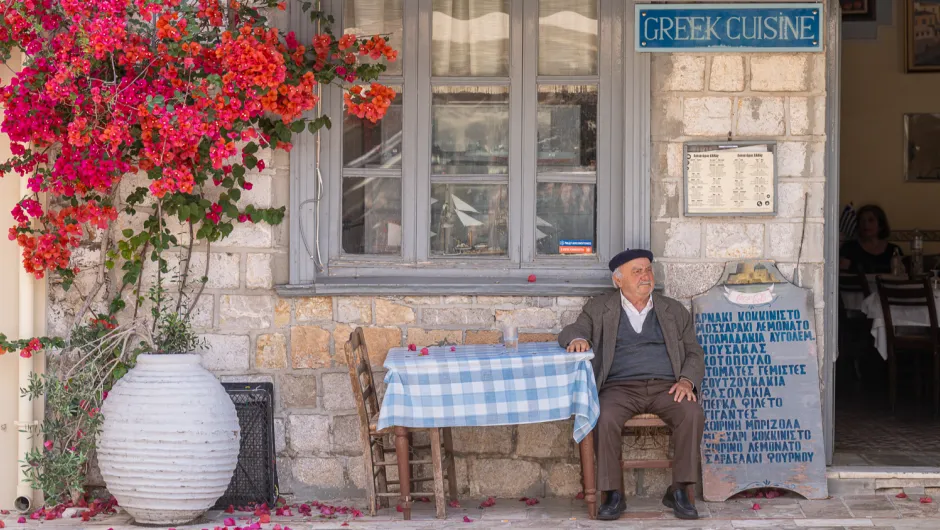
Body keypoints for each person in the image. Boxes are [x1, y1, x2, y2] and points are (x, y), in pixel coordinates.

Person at [559, 248, 704, 521]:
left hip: (667, 386)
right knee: (602, 415)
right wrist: (576, 339)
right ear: (618, 280)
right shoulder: (600, 307)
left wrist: (687, 380)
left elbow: (694, 351)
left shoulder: (672, 309)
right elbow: (572, 330)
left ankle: (680, 490)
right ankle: (613, 493)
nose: (645, 276)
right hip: (618, 388)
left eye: (648, 269)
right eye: (636, 271)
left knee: (692, 413)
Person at [840, 204, 902, 274]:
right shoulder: (849, 248)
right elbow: (843, 278)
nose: (866, 224)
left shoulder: (894, 250)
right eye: (862, 220)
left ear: (881, 225)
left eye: (871, 220)